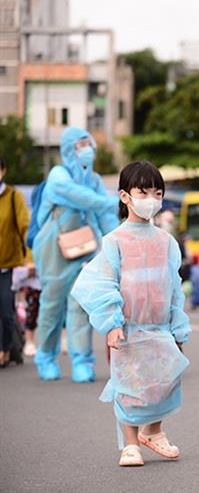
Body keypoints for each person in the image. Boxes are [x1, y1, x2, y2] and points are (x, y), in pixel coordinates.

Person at [72, 161, 191, 467]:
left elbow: (175, 286)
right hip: (128, 325)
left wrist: (178, 325)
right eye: (143, 191)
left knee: (163, 378)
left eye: (157, 191)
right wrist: (111, 323)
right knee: (130, 384)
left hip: (160, 324)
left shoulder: (167, 242)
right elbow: (101, 282)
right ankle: (130, 442)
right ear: (125, 196)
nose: (151, 198)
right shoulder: (114, 241)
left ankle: (154, 431)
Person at [32, 127, 118, 382]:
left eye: (87, 143)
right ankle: (45, 357)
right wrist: (110, 201)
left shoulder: (95, 180)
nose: (86, 149)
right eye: (80, 144)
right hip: (53, 248)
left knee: (80, 304)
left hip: (85, 247)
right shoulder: (58, 175)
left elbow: (105, 217)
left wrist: (117, 244)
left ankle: (82, 361)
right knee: (52, 305)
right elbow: (80, 197)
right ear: (69, 149)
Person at [0, 155, 30, 368]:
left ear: (3, 171)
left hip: (7, 265)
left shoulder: (13, 196)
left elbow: (25, 229)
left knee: (6, 311)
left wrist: (29, 259)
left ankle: (5, 349)